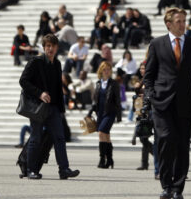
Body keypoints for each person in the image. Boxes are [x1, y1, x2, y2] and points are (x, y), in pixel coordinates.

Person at [143, 8, 191, 199]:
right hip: (161, 103)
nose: (182, 24)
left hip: (186, 103)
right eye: (178, 21)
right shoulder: (156, 44)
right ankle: (166, 185)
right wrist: (150, 96)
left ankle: (177, 189)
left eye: (184, 21)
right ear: (169, 24)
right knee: (166, 139)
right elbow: (149, 75)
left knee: (182, 146)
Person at [19, 34, 80, 180]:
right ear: (44, 47)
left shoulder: (57, 63)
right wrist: (39, 93)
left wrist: (61, 110)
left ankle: (64, 169)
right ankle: (31, 170)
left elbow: (58, 89)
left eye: (53, 46)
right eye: (48, 46)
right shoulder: (36, 61)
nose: (50, 49)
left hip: (53, 108)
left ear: (57, 48)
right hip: (38, 107)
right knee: (36, 138)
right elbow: (23, 81)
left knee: (60, 138)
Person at [89, 61, 122, 169]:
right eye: (104, 69)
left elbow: (118, 100)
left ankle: (102, 159)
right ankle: (110, 159)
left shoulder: (114, 83)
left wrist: (119, 115)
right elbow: (95, 99)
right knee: (106, 135)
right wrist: (90, 111)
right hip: (100, 112)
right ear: (101, 71)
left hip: (110, 112)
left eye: (108, 69)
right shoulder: (98, 83)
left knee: (101, 132)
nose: (106, 71)